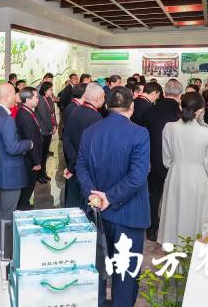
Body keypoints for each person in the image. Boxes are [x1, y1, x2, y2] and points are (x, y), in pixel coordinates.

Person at [76, 87, 150, 307]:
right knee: (125, 272)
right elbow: (137, 177)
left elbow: (81, 167)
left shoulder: (91, 131)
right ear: (132, 106)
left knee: (98, 267)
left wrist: (94, 195)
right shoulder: (139, 133)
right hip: (128, 213)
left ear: (106, 105)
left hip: (97, 212)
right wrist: (109, 197)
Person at [158, 92, 208, 245]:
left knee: (174, 210)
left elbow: (166, 158)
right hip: (198, 176)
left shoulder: (169, 127)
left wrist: (175, 165)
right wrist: (203, 174)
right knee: (196, 212)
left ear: (180, 105)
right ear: (200, 110)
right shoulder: (207, 133)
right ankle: (194, 247)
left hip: (175, 174)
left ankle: (172, 242)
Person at [0, 83, 33, 270]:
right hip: (9, 174)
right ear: (6, 96)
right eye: (14, 94)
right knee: (7, 217)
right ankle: (2, 258)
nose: (17, 97)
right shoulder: (6, 119)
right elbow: (13, 148)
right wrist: (28, 143)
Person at [143, 79, 182, 242]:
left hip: (154, 160)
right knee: (175, 196)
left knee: (153, 195)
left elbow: (144, 138)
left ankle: (152, 229)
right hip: (176, 162)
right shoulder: (181, 114)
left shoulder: (151, 111)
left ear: (164, 93)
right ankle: (173, 230)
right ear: (180, 95)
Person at [63, 83, 105, 209]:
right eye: (104, 97)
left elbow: (67, 139)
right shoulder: (97, 118)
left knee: (73, 204)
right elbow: (95, 150)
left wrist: (72, 166)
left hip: (75, 166)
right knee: (86, 206)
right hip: (87, 172)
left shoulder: (75, 111)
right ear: (99, 99)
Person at [16, 86, 43, 210]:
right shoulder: (25, 115)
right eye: (36, 97)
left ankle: (24, 203)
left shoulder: (28, 111)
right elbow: (30, 139)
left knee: (30, 182)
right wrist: (36, 162)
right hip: (29, 157)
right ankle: (23, 205)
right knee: (28, 182)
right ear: (27, 100)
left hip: (30, 154)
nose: (38, 99)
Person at [36, 81, 56, 184]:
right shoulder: (40, 100)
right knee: (41, 154)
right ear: (45, 90)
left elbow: (52, 114)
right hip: (43, 131)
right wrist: (51, 127)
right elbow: (44, 117)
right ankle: (39, 175)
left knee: (45, 155)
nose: (52, 91)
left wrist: (54, 125)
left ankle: (43, 173)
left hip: (48, 130)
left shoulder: (48, 99)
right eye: (50, 89)